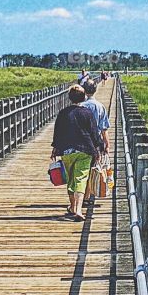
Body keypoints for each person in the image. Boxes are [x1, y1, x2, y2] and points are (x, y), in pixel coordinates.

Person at [51, 83, 103, 221]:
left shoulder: (63, 113)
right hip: (85, 150)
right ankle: (79, 210)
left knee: (70, 179)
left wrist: (55, 148)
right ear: (84, 97)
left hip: (67, 151)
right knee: (81, 179)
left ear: (69, 98)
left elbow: (57, 133)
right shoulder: (87, 113)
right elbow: (94, 133)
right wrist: (99, 148)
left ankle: (73, 206)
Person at [81, 79, 110, 154]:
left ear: (84, 90)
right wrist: (107, 145)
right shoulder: (100, 107)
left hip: (81, 143)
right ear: (95, 90)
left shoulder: (80, 106)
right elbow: (104, 129)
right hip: (95, 142)